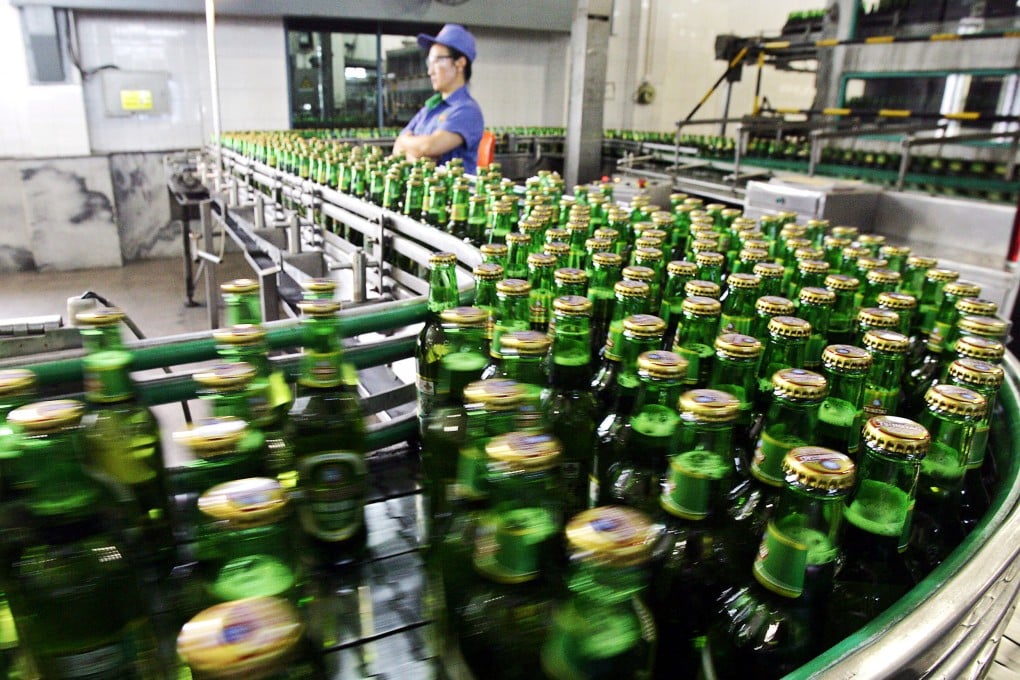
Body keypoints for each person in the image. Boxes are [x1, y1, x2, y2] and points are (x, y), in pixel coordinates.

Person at [393, 24, 484, 170]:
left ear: (460, 63)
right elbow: (398, 147)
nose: (430, 71)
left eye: (437, 61)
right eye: (429, 62)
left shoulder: (467, 110)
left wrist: (410, 145)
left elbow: (429, 146)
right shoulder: (430, 108)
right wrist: (416, 155)